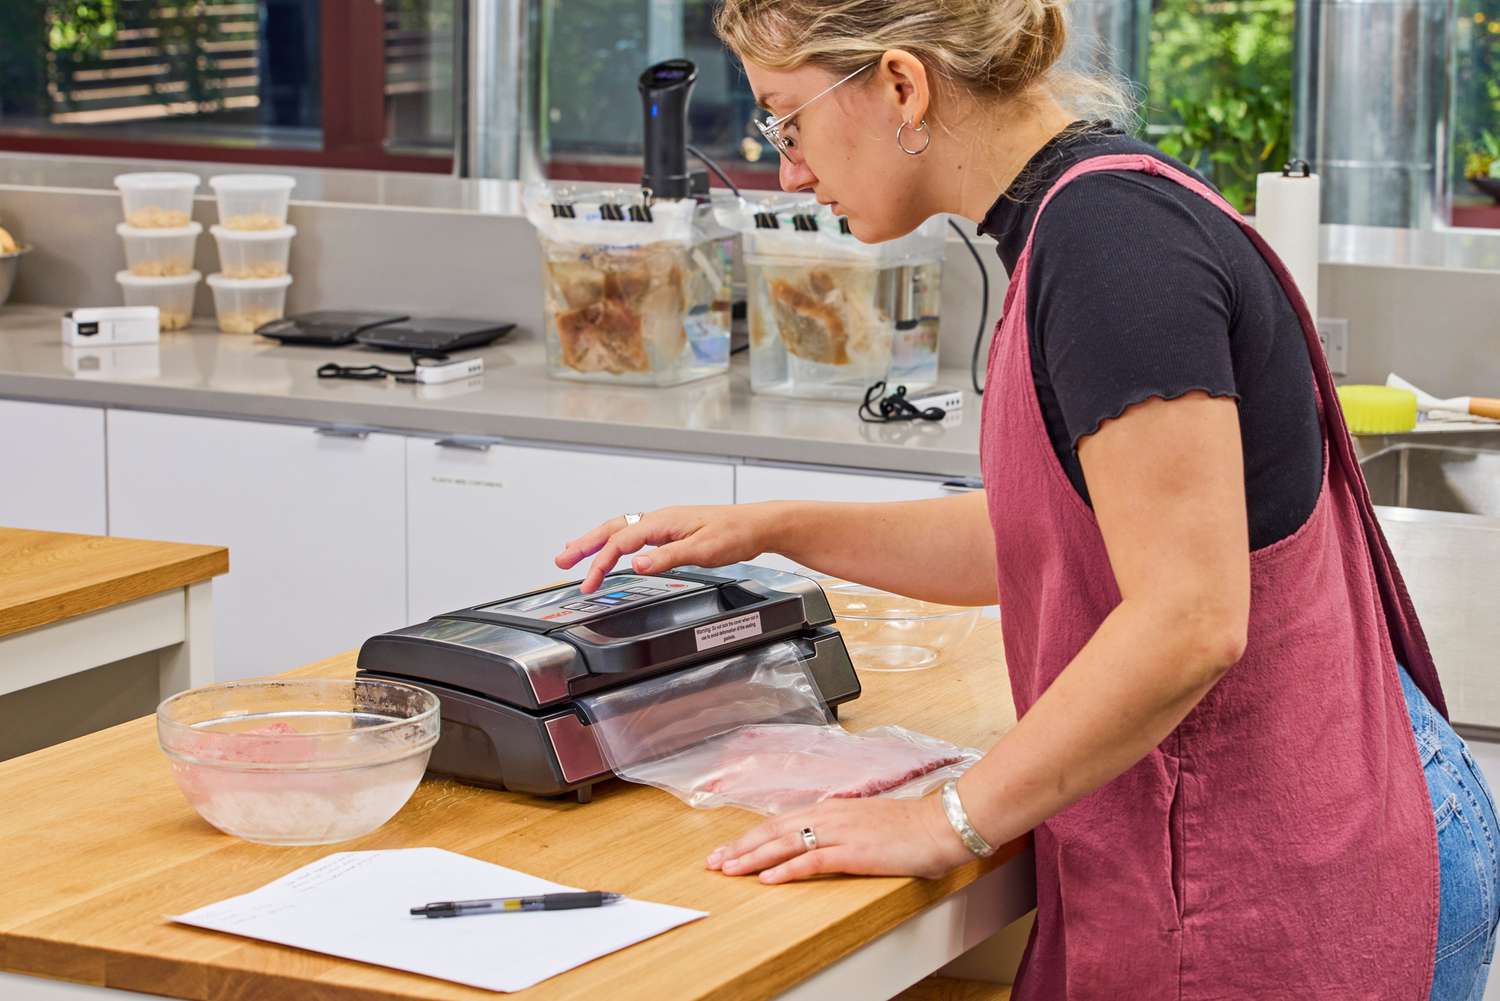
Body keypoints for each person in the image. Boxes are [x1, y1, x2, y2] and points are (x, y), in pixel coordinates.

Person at [554, 1, 1500, 996]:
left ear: (902, 85)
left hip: (1303, 865)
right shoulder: (1080, 221)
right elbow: (1052, 534)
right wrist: (773, 529)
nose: (788, 171)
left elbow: (1188, 618)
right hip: (1338, 809)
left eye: (786, 121)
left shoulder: (1110, 248)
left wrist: (945, 817)